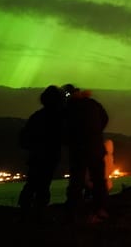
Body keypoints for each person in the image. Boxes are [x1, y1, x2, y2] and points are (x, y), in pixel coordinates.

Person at [17, 85, 65, 221]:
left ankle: (25, 210)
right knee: (43, 185)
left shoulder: (37, 116)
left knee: (32, 183)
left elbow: (25, 137)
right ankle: (38, 212)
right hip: (49, 156)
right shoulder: (58, 117)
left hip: (36, 156)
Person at [62, 84, 110, 221]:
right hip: (96, 148)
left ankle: (74, 211)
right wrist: (96, 133)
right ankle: (101, 209)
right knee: (99, 180)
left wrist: (68, 141)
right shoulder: (92, 103)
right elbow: (105, 118)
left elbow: (64, 129)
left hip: (78, 150)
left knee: (76, 181)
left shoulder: (68, 109)